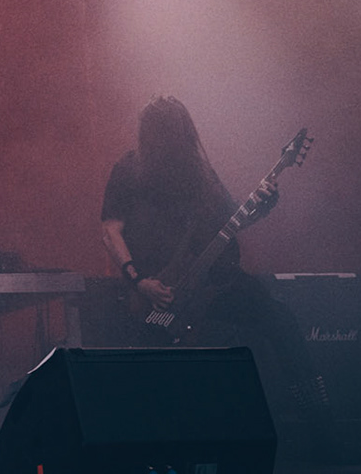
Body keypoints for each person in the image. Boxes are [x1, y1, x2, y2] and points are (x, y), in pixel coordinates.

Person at [100, 96, 341, 461]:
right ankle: (149, 452)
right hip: (165, 289)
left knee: (281, 321)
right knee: (155, 366)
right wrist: (137, 280)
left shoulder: (200, 171)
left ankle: (321, 430)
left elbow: (231, 221)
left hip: (217, 281)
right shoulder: (130, 170)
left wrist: (264, 203)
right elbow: (110, 229)